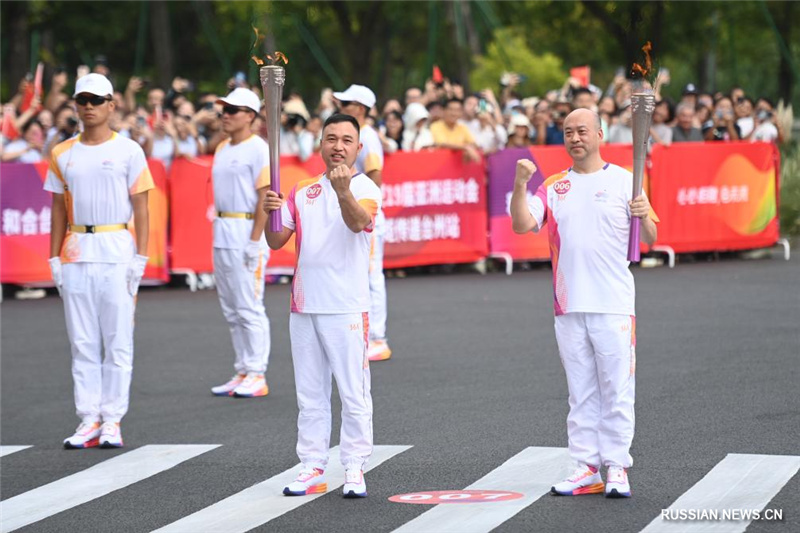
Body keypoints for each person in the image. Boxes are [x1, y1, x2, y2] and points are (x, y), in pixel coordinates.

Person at [510, 108, 658, 499]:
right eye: (568, 132)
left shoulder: (627, 181)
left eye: (582, 131)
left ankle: (616, 466)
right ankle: (586, 467)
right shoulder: (554, 185)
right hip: (568, 303)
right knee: (581, 392)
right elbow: (523, 224)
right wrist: (521, 185)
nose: (575, 138)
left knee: (617, 388)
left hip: (613, 303)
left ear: (599, 133)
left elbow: (653, 238)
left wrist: (644, 216)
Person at [262, 113, 380, 499]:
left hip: (346, 306)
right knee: (309, 394)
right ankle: (312, 464)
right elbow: (277, 240)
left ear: (358, 148)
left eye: (347, 140)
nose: (338, 146)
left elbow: (358, 223)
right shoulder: (303, 190)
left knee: (352, 392)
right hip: (304, 304)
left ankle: (354, 465)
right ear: (321, 144)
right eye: (331, 138)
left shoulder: (366, 188)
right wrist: (270, 212)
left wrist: (343, 190)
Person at [45, 74, 153, 449]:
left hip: (116, 247)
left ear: (112, 104)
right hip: (76, 249)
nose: (88, 106)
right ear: (75, 104)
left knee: (117, 338)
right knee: (82, 341)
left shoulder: (129, 151)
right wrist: (54, 256)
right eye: (82, 100)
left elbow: (142, 207)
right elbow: (57, 208)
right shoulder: (62, 153)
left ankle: (113, 419)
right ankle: (88, 418)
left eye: (96, 100)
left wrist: (140, 258)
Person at [208, 88, 273, 398]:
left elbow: (264, 198)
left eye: (233, 110)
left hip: (247, 230)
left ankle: (258, 373)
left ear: (250, 115)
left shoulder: (258, 149)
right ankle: (243, 368)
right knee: (231, 308)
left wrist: (254, 241)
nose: (226, 115)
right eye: (224, 109)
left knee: (249, 305)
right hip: (222, 229)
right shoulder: (221, 148)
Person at [334, 84, 393, 362]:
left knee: (371, 277)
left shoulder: (367, 136)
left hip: (366, 215)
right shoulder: (355, 135)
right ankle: (363, 334)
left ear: (359, 108)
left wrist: (367, 208)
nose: (340, 108)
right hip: (355, 213)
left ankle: (378, 338)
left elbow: (374, 174)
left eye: (346, 104)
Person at [429, 98, 481, 162]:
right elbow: (442, 144)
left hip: (457, 167)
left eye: (457, 110)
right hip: (440, 165)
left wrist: (469, 149)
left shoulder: (462, 127)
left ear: (461, 113)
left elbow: (474, 144)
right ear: (443, 111)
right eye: (450, 109)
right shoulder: (436, 126)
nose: (454, 113)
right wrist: (465, 148)